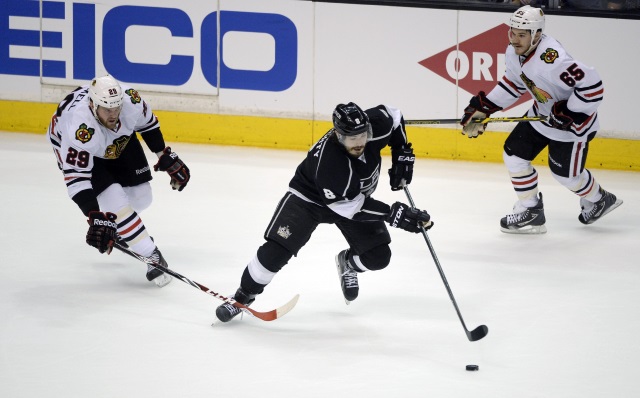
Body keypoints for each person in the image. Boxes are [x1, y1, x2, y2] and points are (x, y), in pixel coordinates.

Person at [215, 102, 432, 322]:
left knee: (378, 257)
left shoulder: (374, 126)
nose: (359, 143)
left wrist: (402, 152)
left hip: (351, 198)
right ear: (338, 135)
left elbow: (394, 117)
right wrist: (392, 214)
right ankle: (242, 297)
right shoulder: (330, 162)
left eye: (362, 136)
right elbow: (348, 207)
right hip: (309, 199)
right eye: (351, 139)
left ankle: (348, 263)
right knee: (277, 250)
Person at [460, 5, 622, 234]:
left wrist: (570, 111)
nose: (515, 39)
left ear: (536, 35)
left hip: (572, 126)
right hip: (541, 115)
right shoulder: (514, 52)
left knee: (566, 175)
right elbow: (514, 84)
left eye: (521, 35)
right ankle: (531, 210)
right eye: (512, 32)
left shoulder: (552, 58)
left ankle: (599, 199)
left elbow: (593, 86)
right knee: (514, 155)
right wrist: (485, 108)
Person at [46, 75, 191, 286]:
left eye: (116, 108)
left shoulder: (130, 99)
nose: (113, 114)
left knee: (142, 197)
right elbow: (78, 179)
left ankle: (124, 228)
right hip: (80, 147)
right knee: (114, 200)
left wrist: (163, 155)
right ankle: (152, 255)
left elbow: (148, 125)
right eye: (107, 109)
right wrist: (94, 216)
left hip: (116, 141)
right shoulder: (79, 129)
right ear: (93, 104)